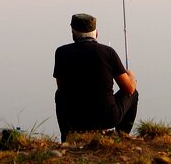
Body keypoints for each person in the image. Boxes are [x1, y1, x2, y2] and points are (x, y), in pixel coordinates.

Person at [53, 13, 138, 141]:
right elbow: (129, 89)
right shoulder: (108, 52)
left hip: (74, 119)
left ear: (73, 34)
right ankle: (121, 136)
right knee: (134, 93)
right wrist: (130, 76)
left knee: (59, 95)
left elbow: (62, 88)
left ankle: (66, 136)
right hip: (107, 118)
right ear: (96, 33)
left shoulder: (61, 52)